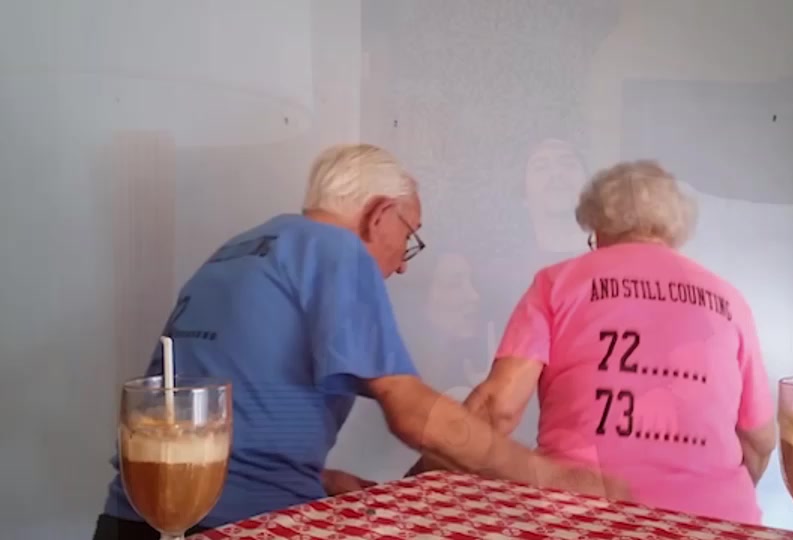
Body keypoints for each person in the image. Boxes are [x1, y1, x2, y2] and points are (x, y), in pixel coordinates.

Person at [92, 144, 631, 540]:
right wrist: (548, 475)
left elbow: (230, 409)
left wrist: (318, 477)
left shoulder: (240, 249)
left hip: (132, 518)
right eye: (409, 237)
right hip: (242, 526)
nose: (402, 264)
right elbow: (412, 412)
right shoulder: (337, 251)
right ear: (379, 215)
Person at [417, 160, 776, 524]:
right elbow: (759, 439)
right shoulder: (729, 300)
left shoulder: (558, 284)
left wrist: (418, 480)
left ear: (599, 227)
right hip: (718, 525)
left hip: (584, 518)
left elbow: (498, 409)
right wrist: (715, 497)